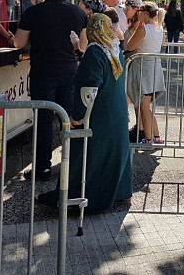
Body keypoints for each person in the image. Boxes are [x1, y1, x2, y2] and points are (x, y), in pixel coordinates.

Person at [36, 14, 132, 212]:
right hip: (116, 111)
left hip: (99, 114)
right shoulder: (114, 47)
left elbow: (90, 86)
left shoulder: (96, 51)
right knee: (113, 153)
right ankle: (119, 193)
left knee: (88, 154)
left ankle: (78, 197)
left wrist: (77, 115)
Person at [10, 0, 88, 181]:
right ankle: (73, 165)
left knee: (44, 119)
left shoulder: (33, 12)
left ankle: (43, 168)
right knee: (71, 118)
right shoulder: (78, 13)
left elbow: (18, 43)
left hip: (42, 72)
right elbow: (83, 46)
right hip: (70, 70)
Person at [125, 1, 166, 145]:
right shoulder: (159, 28)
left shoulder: (144, 29)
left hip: (143, 68)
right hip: (154, 67)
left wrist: (135, 33)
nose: (137, 14)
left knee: (144, 106)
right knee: (147, 105)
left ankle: (148, 139)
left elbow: (129, 46)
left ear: (145, 13)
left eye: (139, 11)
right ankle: (155, 136)